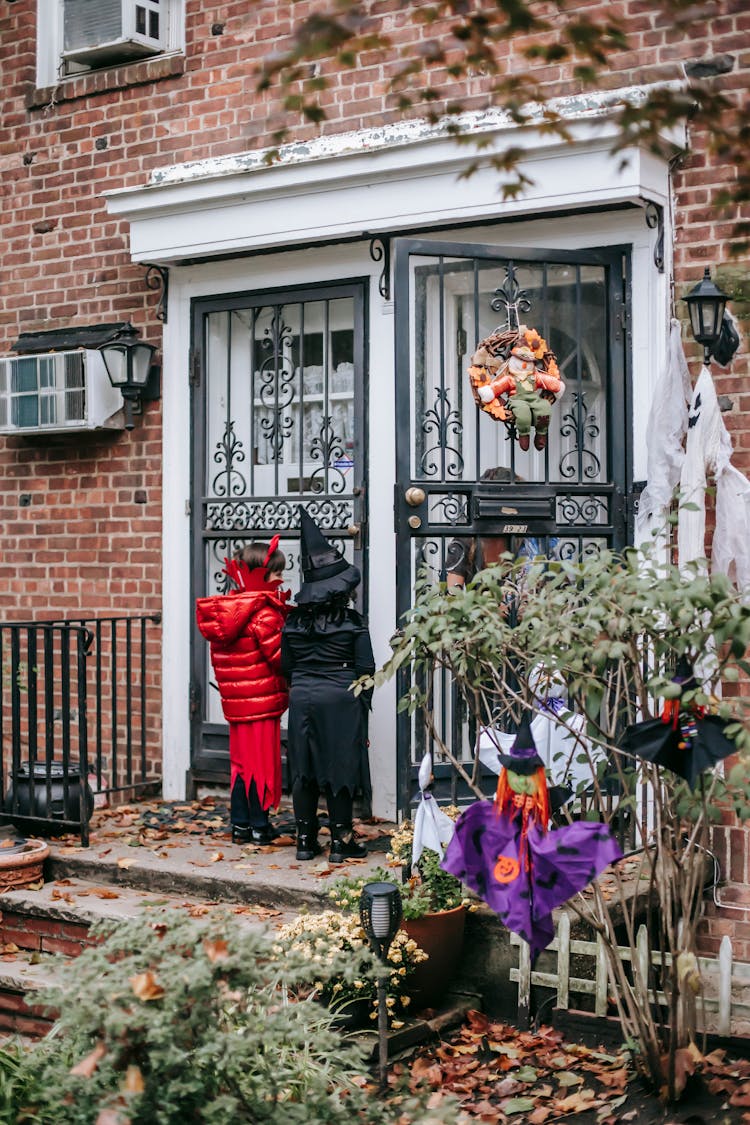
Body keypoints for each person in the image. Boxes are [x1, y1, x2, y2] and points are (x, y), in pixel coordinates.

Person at [281, 509, 375, 863]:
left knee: (303, 768)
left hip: (302, 695)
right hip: (341, 696)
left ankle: (305, 841)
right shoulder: (352, 622)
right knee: (339, 766)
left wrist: (303, 685)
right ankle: (341, 841)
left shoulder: (292, 622)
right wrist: (361, 704)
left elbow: (286, 666)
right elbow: (366, 668)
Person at [196, 538, 290, 844]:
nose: (281, 580)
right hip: (261, 700)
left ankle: (241, 825)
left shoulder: (230, 612)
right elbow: (280, 659)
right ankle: (260, 825)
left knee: (241, 764)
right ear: (261, 575)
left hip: (237, 702)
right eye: (277, 574)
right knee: (261, 763)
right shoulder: (263, 614)